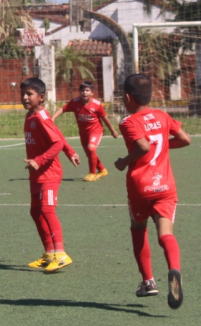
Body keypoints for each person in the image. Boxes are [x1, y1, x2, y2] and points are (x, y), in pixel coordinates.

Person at [114, 73, 191, 309]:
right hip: (165, 186)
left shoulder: (128, 122)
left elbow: (143, 146)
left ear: (127, 97)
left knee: (138, 230)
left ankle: (148, 281)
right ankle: (174, 269)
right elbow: (185, 139)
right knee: (165, 233)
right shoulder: (163, 116)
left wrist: (124, 162)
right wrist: (166, 146)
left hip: (140, 187)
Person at [20, 78, 81, 273]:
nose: (24, 97)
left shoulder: (41, 118)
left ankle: (61, 254)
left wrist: (39, 160)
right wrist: (71, 151)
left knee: (47, 210)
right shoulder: (32, 115)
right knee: (35, 211)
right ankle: (49, 254)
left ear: (42, 97)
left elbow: (56, 143)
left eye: (29, 94)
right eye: (23, 94)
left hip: (49, 172)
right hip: (37, 173)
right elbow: (58, 135)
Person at [52, 81, 119, 182]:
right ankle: (102, 170)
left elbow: (105, 118)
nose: (84, 92)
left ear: (92, 93)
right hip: (83, 133)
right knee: (89, 153)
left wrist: (112, 130)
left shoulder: (97, 105)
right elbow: (63, 109)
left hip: (96, 131)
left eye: (87, 90)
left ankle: (92, 174)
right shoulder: (75, 102)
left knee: (91, 148)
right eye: (82, 90)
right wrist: (52, 118)